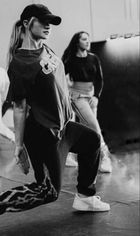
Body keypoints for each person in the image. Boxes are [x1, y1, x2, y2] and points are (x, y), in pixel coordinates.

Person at [0, 4, 110, 235]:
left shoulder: (47, 49)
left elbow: (58, 85)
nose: (48, 27)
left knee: (92, 141)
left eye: (50, 23)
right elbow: (20, 108)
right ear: (26, 23)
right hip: (43, 133)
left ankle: (85, 196)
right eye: (43, 21)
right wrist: (18, 145)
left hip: (64, 126)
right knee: (48, 191)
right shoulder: (20, 63)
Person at [62, 31, 112, 173]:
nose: (87, 41)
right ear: (77, 42)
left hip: (91, 97)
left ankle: (69, 154)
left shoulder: (93, 58)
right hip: (77, 96)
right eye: (84, 39)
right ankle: (105, 157)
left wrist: (96, 96)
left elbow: (99, 79)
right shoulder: (70, 59)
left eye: (88, 39)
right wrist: (67, 92)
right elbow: (60, 76)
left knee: (86, 128)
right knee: (94, 127)